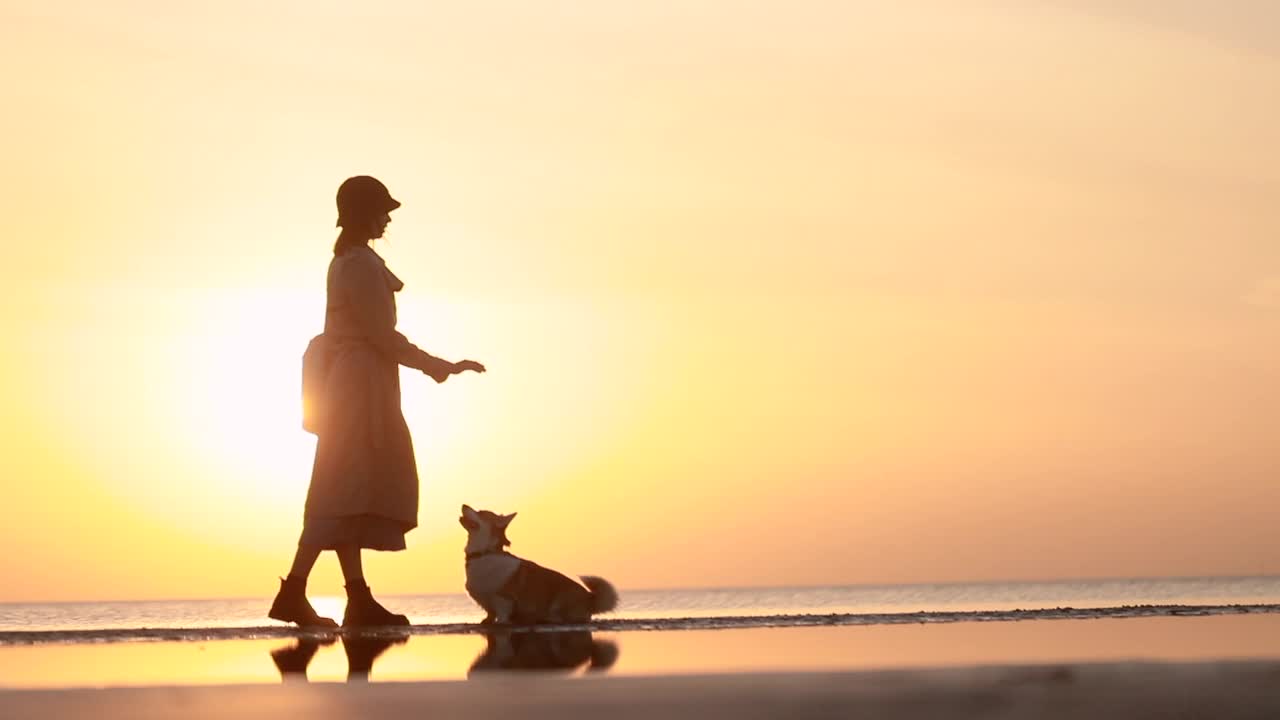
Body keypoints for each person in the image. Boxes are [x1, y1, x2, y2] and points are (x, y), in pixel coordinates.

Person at [269, 175, 485, 628]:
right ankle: (300, 591)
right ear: (364, 213)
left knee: (346, 492)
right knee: (339, 492)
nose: (388, 218)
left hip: (357, 383)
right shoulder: (359, 265)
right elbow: (382, 336)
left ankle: (351, 596)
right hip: (358, 387)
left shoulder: (351, 260)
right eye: (382, 210)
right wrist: (439, 365)